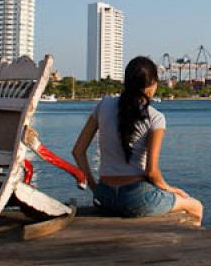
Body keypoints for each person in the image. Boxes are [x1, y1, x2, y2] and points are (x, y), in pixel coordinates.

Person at [72, 56, 203, 225]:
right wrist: (172, 190)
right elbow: (151, 172)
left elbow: (77, 151)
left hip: (105, 197)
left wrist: (95, 188)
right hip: (136, 198)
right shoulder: (156, 118)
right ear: (153, 84)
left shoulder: (103, 106)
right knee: (195, 206)